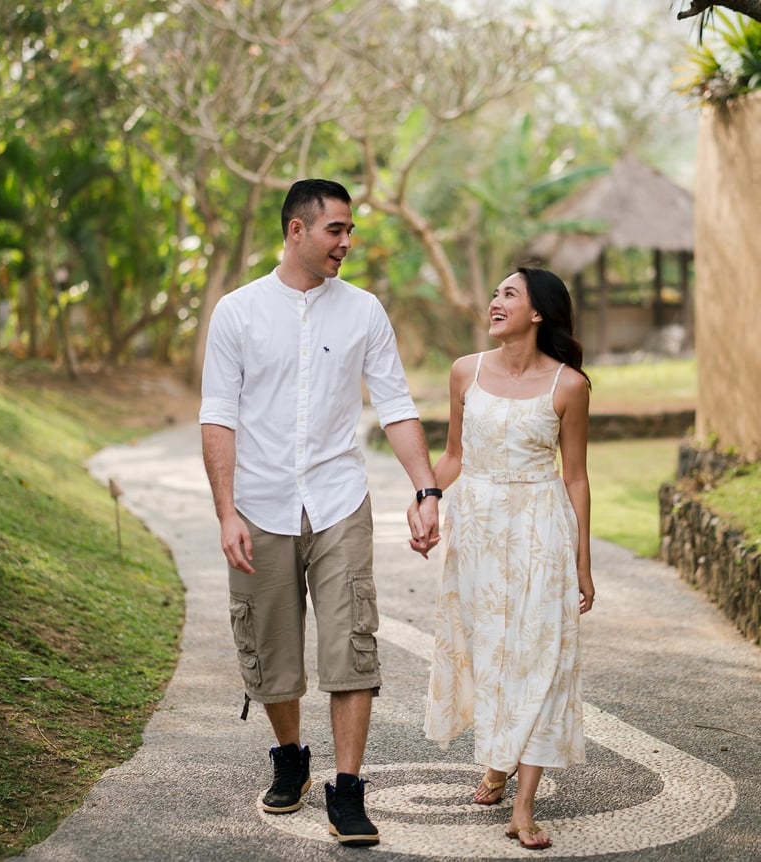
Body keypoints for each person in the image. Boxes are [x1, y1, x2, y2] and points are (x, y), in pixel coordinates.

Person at [199, 178, 440, 847]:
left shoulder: (363, 311)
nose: (347, 242)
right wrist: (226, 512)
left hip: (339, 502)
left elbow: (395, 403)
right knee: (272, 649)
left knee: (350, 643)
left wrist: (426, 489)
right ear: (297, 230)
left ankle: (348, 789)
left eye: (350, 229)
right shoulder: (238, 313)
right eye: (336, 229)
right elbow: (218, 418)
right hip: (260, 504)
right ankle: (290, 758)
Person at [409, 266, 595, 851]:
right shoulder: (466, 371)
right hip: (480, 529)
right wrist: (425, 503)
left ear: (537, 312)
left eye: (508, 294)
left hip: (541, 528)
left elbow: (577, 478)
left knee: (542, 655)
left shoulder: (569, 385)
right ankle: (496, 757)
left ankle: (523, 806)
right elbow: (454, 455)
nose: (494, 301)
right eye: (494, 292)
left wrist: (583, 562)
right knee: (489, 650)